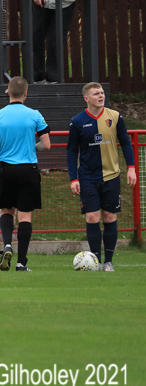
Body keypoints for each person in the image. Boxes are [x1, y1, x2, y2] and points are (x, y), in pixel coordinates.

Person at [66, 83, 137, 272]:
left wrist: (131, 168)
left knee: (109, 216)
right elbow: (72, 151)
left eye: (102, 93)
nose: (101, 96)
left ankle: (109, 262)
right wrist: (73, 178)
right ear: (86, 98)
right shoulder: (77, 121)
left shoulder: (114, 117)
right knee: (91, 216)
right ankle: (95, 261)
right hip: (88, 177)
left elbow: (126, 143)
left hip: (111, 175)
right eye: (96, 93)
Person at [0, 77, 51, 272]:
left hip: (6, 169)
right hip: (28, 169)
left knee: (6, 210)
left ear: (8, 91)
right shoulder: (35, 115)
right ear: (26, 93)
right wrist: (32, 147)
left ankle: (7, 245)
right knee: (25, 217)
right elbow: (47, 144)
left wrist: (3, 150)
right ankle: (21, 262)